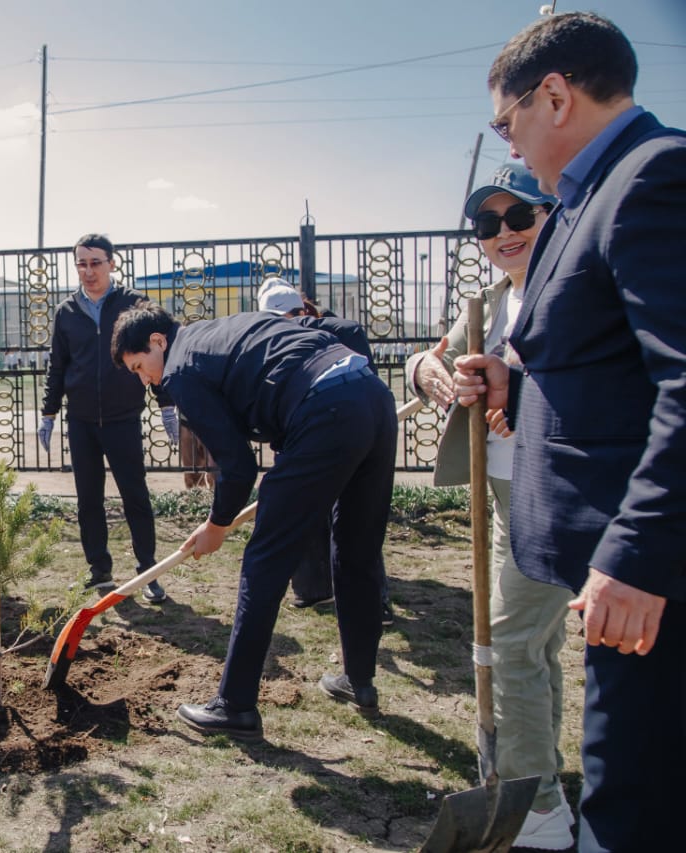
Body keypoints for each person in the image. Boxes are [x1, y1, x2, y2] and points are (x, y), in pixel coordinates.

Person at [453, 13, 685, 851]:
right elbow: (604, 356)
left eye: (504, 121)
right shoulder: (586, 195)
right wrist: (513, 377)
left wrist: (636, 553)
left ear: (554, 96)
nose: (508, 141)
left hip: (642, 581)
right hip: (604, 576)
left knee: (636, 800)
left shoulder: (652, 178)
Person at [112, 301, 397, 738]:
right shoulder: (223, 329)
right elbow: (334, 334)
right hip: (371, 395)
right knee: (356, 548)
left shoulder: (181, 369)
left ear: (157, 341)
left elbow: (238, 466)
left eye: (138, 366)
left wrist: (217, 526)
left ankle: (235, 706)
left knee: (264, 560)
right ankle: (359, 681)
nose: (144, 379)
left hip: (326, 411)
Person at [409, 162, 572, 849]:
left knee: (508, 641)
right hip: (503, 488)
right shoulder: (493, 297)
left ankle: (536, 805)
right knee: (537, 643)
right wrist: (431, 372)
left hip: (557, 492)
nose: (502, 233)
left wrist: (520, 391)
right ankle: (549, 783)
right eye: (486, 224)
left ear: (552, 215)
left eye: (518, 218)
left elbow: (594, 388)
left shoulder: (573, 291)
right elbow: (429, 358)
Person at [39, 234, 174, 602]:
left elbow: (155, 353)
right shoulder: (66, 312)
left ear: (112, 263)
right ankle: (99, 570)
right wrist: (49, 412)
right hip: (81, 421)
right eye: (81, 264)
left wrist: (166, 405)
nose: (88, 271)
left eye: (95, 262)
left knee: (135, 495)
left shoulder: (133, 304)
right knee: (88, 500)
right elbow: (58, 365)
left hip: (122, 417)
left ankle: (149, 571)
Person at [256, 279, 394, 624]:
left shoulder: (336, 332)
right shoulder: (331, 330)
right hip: (323, 432)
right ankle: (321, 590)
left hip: (327, 433)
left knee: (340, 517)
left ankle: (361, 600)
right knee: (331, 516)